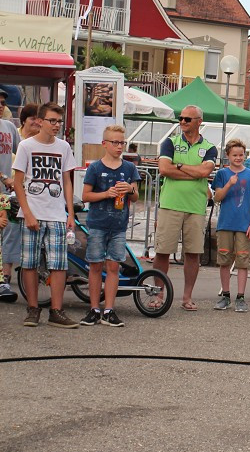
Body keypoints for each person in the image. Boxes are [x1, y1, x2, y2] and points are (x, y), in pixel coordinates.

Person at [12, 102, 78, 327]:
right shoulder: (26, 146)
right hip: (33, 212)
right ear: (40, 121)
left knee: (59, 264)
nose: (57, 125)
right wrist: (28, 214)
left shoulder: (63, 147)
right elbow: (18, 184)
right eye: (52, 120)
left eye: (59, 121)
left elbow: (67, 180)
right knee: (29, 263)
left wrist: (70, 212)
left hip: (57, 213)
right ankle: (33, 308)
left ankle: (56, 311)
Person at [152, 105, 218, 312]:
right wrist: (193, 171)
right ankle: (158, 294)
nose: (182, 122)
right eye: (180, 118)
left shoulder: (209, 147)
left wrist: (178, 166)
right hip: (171, 204)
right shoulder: (170, 142)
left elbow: (205, 171)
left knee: (193, 254)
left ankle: (187, 296)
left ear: (199, 121)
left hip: (195, 207)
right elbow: (164, 169)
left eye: (187, 119)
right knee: (163, 251)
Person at [78, 124, 140, 327]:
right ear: (104, 144)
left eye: (122, 142)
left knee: (114, 266)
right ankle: (94, 309)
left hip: (119, 225)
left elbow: (137, 196)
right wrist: (106, 194)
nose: (119, 146)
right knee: (95, 265)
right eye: (115, 142)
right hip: (97, 223)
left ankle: (109, 309)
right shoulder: (95, 168)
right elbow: (86, 196)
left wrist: (129, 189)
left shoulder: (129, 168)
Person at [211, 140, 250, 313]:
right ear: (228, 156)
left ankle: (241, 297)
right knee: (224, 260)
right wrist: (229, 184)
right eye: (235, 155)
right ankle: (225, 295)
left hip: (244, 225)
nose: (238, 158)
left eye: (241, 155)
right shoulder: (222, 174)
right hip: (226, 223)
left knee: (242, 261)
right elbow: (217, 197)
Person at [2, 103, 39, 292]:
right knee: (11, 230)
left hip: (26, 193)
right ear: (24, 120)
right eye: (33, 118)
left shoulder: (11, 130)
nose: (36, 122)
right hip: (9, 191)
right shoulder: (14, 133)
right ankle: (5, 276)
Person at [0, 113, 20, 301]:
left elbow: (20, 153)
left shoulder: (9, 127)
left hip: (4, 194)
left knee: (7, 231)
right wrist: (4, 176)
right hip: (4, 184)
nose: (0, 106)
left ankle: (4, 280)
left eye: (2, 102)